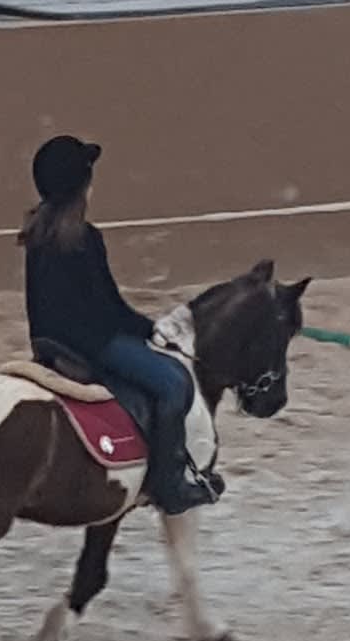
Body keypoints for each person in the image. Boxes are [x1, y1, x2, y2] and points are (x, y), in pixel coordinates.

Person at [20, 134, 218, 514]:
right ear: (82, 186)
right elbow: (107, 308)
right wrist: (148, 329)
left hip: (49, 341)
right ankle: (170, 484)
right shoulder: (85, 238)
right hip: (92, 343)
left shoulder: (37, 234)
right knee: (174, 383)